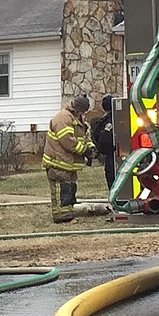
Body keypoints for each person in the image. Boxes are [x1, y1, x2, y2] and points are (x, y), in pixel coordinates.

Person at [43, 93, 99, 224]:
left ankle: (68, 215)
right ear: (77, 108)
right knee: (62, 190)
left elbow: (85, 136)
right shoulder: (63, 118)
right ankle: (61, 217)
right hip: (58, 162)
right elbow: (68, 142)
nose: (83, 114)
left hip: (68, 163)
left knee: (70, 188)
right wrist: (85, 151)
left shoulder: (77, 117)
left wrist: (91, 148)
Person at [90, 94, 116, 189]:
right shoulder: (119, 118)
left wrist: (99, 150)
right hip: (115, 155)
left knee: (113, 184)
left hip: (110, 157)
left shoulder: (106, 121)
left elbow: (102, 140)